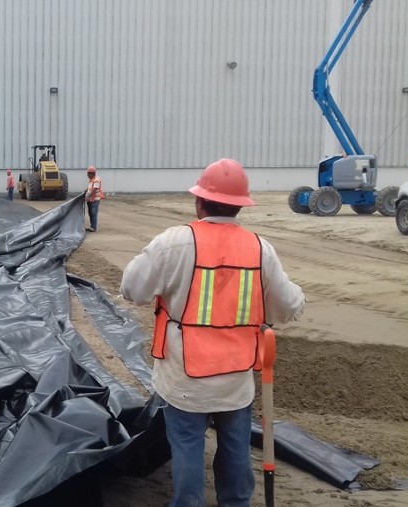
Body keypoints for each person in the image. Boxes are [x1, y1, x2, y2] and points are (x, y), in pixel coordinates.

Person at [119, 158, 305, 507]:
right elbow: (288, 306)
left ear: (199, 202)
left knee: (187, 448)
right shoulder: (260, 249)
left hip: (185, 381)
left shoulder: (174, 242)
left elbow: (132, 288)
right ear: (240, 206)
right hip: (236, 380)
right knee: (235, 449)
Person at [85, 166, 103, 231]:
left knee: (93, 212)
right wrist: (84, 192)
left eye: (88, 174)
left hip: (95, 199)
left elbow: (94, 189)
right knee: (90, 212)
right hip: (90, 199)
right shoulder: (91, 180)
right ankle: (92, 226)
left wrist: (88, 196)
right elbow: (90, 188)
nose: (87, 175)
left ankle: (94, 227)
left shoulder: (96, 180)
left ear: (92, 173)